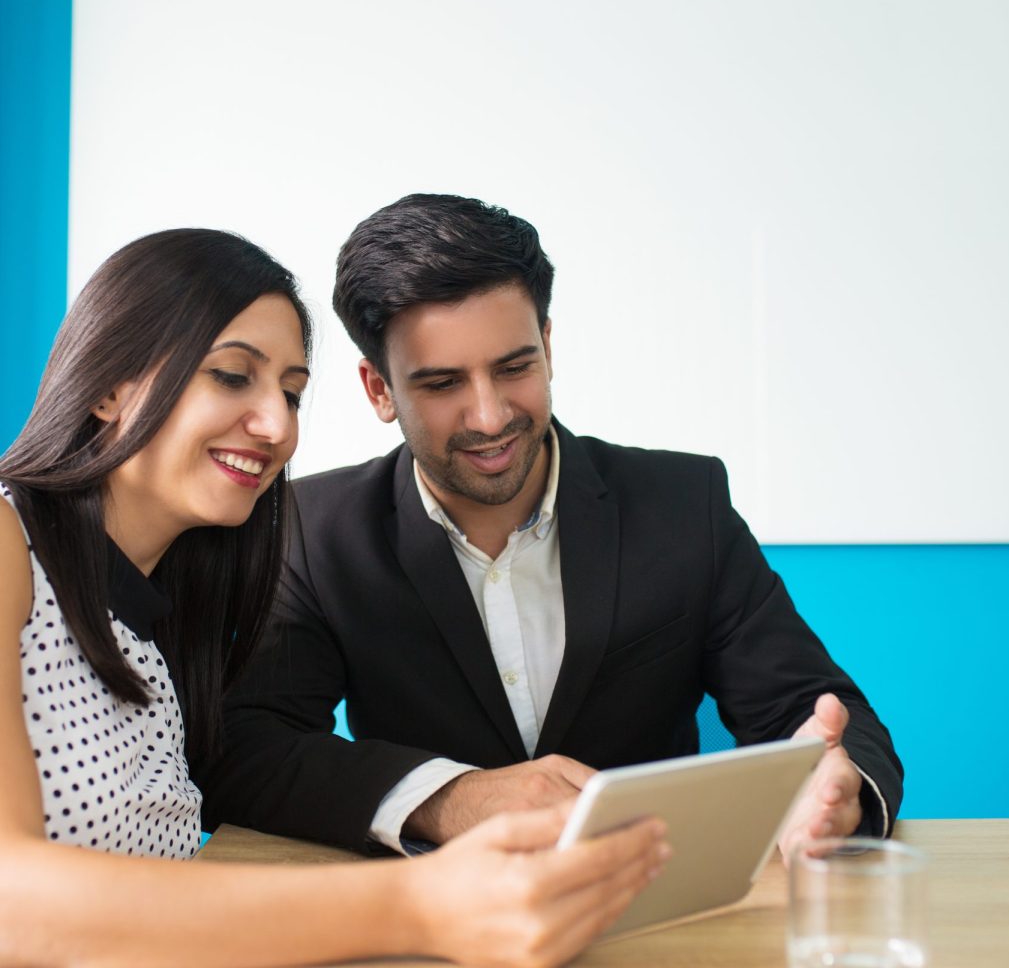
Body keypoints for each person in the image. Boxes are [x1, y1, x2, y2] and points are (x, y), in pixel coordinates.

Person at [0, 228, 668, 968]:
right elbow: (13, 903)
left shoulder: (162, 618)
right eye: (231, 376)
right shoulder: (5, 544)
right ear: (107, 385)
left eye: (291, 392)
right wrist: (423, 904)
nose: (278, 426)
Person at [196, 195, 903, 863]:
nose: (489, 416)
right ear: (379, 389)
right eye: (443, 384)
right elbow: (251, 750)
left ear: (549, 346)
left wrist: (837, 795)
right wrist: (450, 798)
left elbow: (812, 712)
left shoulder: (686, 506)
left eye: (514, 368)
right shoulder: (314, 533)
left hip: (659, 911)